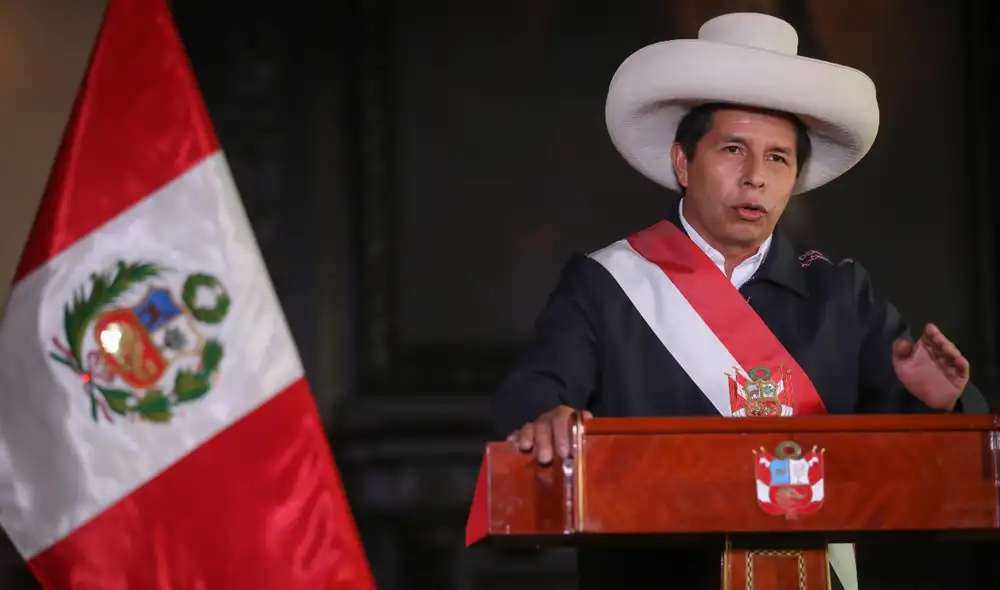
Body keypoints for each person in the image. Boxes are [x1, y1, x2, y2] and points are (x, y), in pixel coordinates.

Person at [492, 12, 988, 590]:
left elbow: (935, 469)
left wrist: (942, 404)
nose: (755, 177)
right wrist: (544, 418)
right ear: (683, 162)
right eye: (732, 149)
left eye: (777, 157)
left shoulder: (840, 294)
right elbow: (534, 392)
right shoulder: (605, 285)